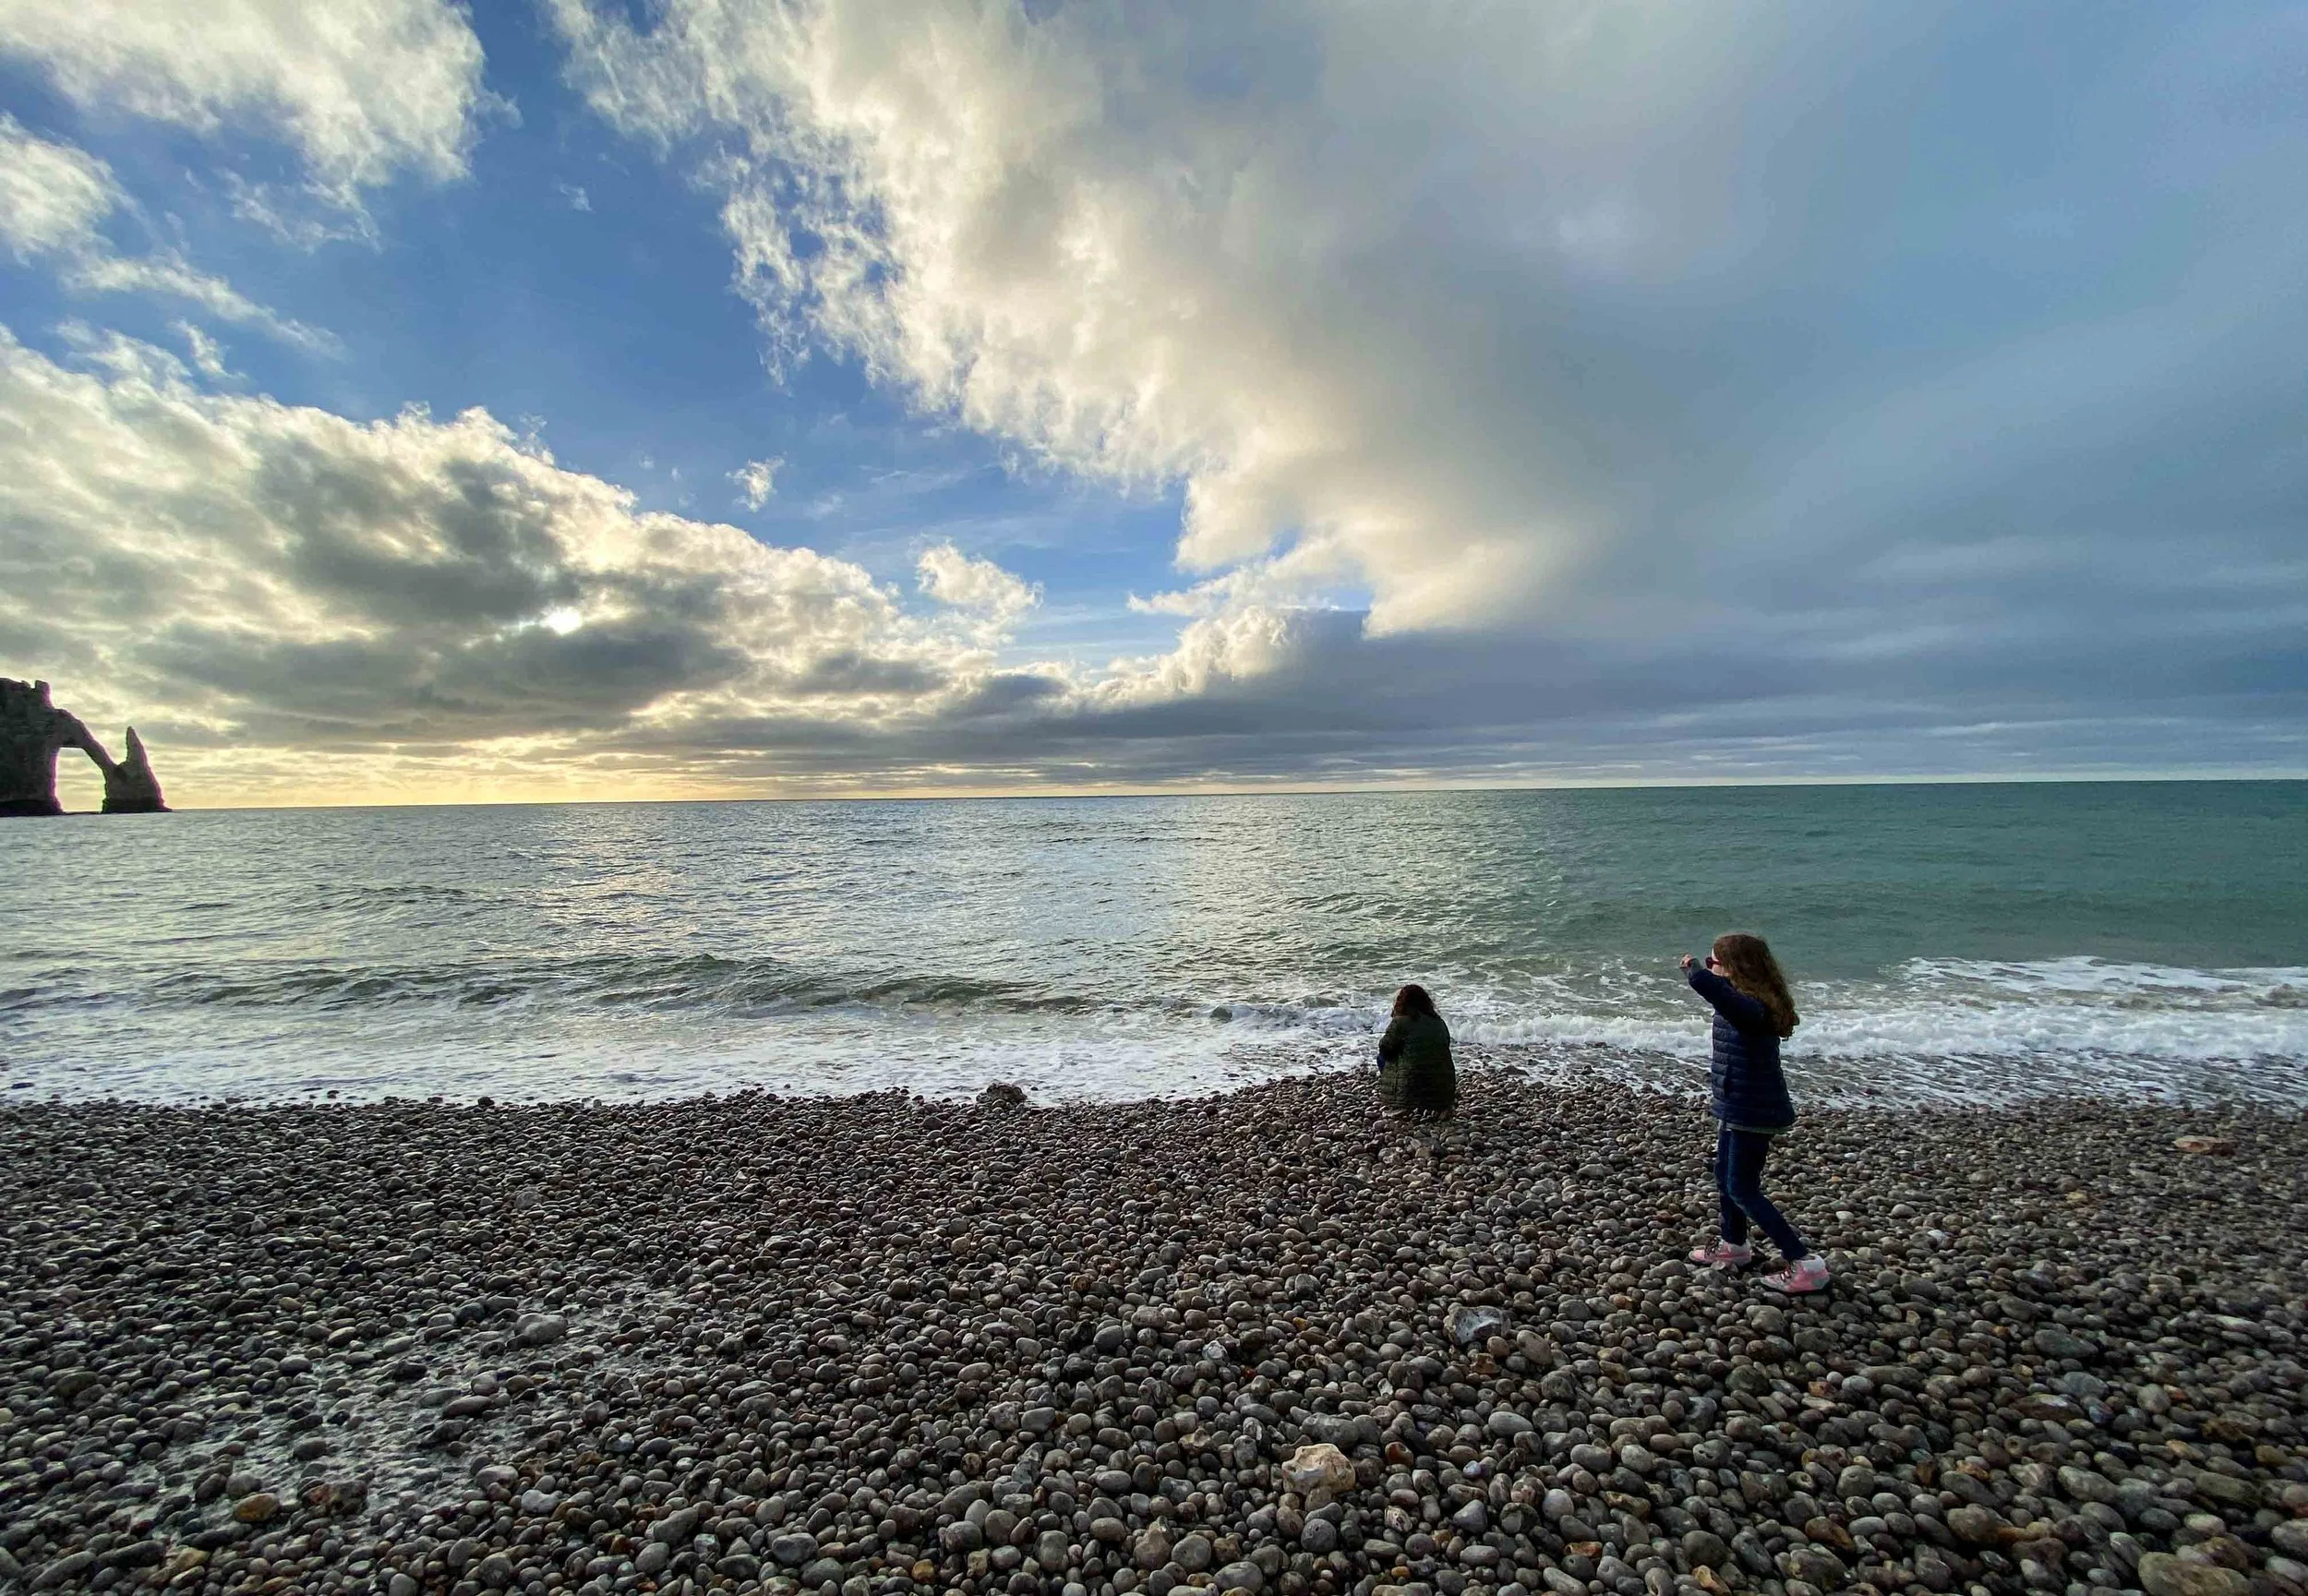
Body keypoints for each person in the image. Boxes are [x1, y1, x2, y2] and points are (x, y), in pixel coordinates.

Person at [1679, 933, 1828, 1294]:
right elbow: (1724, 996)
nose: (1711, 968)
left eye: (1714, 961)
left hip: (1752, 1108)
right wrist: (1710, 970)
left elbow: (1718, 994)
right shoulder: (1746, 1000)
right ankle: (1734, 1245)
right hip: (1736, 1103)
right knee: (1724, 1176)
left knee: (1743, 1188)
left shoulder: (1752, 1008)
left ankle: (1806, 1263)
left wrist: (1696, 971)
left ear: (1736, 968)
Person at [1376, 983, 1456, 1117]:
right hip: (1443, 1087)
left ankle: (1401, 1102)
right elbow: (1445, 1045)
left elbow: (1385, 1048)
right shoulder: (1439, 1022)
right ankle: (1440, 1105)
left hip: (1411, 1086)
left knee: (1382, 1057)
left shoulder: (1401, 1022)